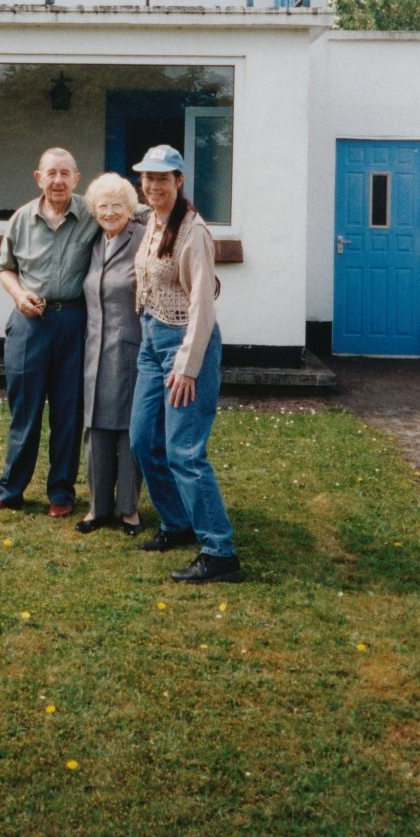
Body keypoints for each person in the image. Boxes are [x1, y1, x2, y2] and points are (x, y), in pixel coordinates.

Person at [129, 144, 244, 583]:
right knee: (144, 441)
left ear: (179, 181)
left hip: (185, 345)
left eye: (163, 178)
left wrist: (188, 366)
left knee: (185, 451)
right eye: (147, 177)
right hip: (151, 341)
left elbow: (202, 305)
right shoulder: (152, 220)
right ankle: (177, 522)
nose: (153, 185)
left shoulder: (193, 232)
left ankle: (220, 552)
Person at [0, 147, 99, 519]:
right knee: (24, 412)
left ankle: (61, 491)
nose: (58, 180)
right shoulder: (21, 219)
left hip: (74, 322)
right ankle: (10, 491)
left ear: (77, 179)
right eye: (52, 173)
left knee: (68, 411)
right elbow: (4, 267)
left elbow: (131, 212)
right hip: (30, 323)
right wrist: (19, 295)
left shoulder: (93, 213)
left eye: (66, 173)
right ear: (38, 177)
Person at [76, 173, 145, 537]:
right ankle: (98, 507)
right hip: (95, 348)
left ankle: (129, 509)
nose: (109, 212)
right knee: (96, 426)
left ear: (130, 208)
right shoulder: (94, 240)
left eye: (118, 205)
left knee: (129, 428)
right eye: (102, 206)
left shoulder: (143, 237)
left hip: (130, 346)